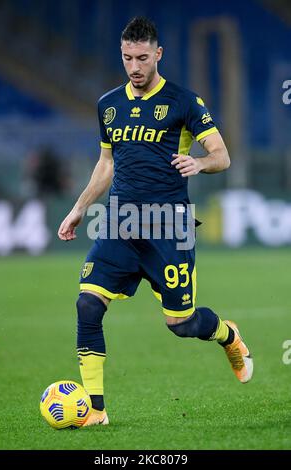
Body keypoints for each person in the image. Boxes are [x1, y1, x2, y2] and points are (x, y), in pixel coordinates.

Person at [58, 16, 253, 426]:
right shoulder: (108, 105)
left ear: (158, 54)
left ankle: (228, 336)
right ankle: (95, 410)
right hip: (119, 224)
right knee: (87, 304)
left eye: (142, 57)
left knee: (180, 324)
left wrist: (199, 163)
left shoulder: (185, 102)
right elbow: (106, 163)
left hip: (168, 226)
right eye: (127, 57)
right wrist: (79, 207)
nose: (134, 66)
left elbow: (223, 156)